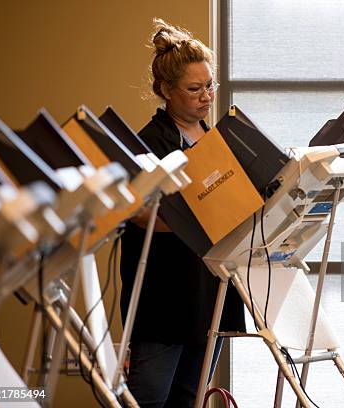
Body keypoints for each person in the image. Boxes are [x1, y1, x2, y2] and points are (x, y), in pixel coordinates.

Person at [119, 18, 245, 408]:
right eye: (194, 88)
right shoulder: (149, 143)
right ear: (166, 91)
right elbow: (138, 215)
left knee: (190, 398)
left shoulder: (217, 140)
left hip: (208, 289)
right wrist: (201, 215)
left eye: (210, 85)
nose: (207, 95)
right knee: (149, 398)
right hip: (164, 296)